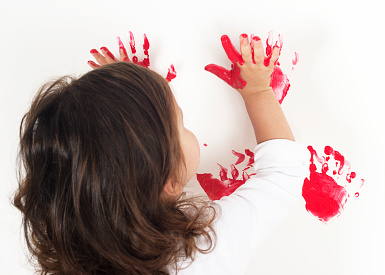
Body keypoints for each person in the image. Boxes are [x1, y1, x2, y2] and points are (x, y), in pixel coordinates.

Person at [13, 33, 308, 274]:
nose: (185, 127)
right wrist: (258, 91)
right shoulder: (204, 250)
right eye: (181, 124)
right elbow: (283, 175)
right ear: (168, 181)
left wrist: (124, 100)